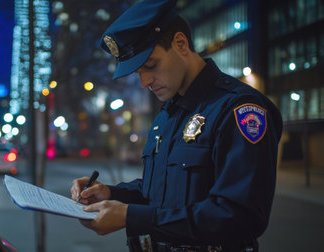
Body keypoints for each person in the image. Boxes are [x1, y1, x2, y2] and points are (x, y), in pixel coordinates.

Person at [70, 0, 283, 251]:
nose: (145, 81)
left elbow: (240, 216)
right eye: (139, 72)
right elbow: (161, 192)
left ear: (181, 44)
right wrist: (111, 194)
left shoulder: (238, 110)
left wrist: (130, 216)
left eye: (150, 65)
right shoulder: (169, 113)